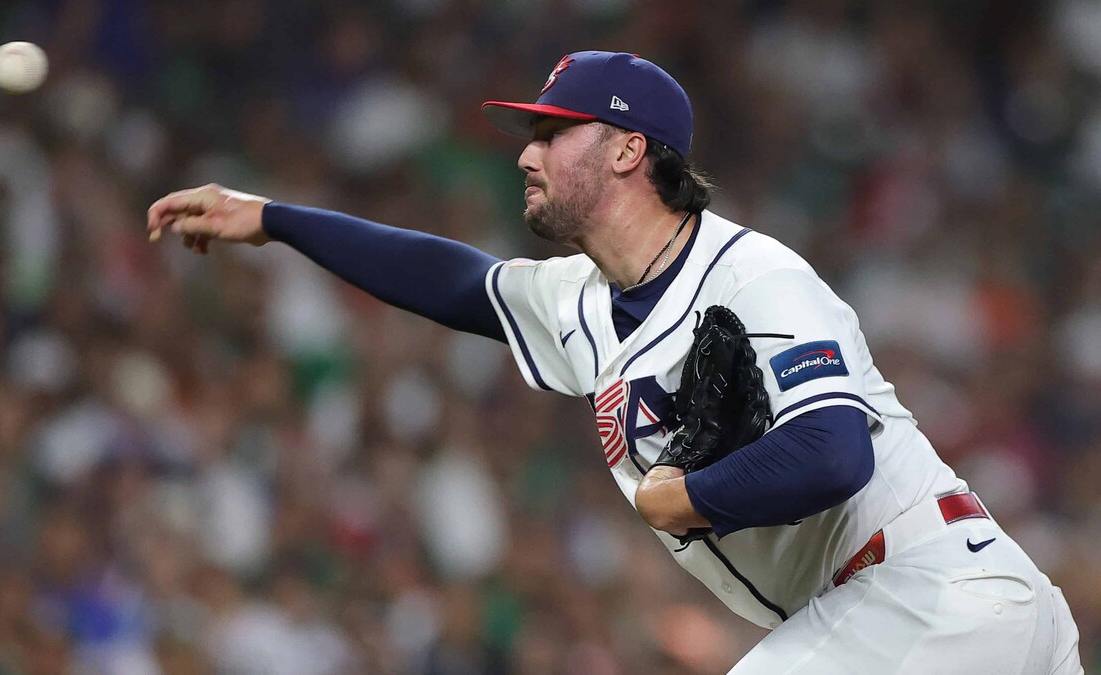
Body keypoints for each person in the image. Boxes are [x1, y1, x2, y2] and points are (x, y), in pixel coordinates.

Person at [147, 51, 1082, 673]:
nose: (528, 154)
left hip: (929, 589)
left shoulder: (751, 273)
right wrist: (272, 218)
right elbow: (454, 282)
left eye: (552, 132)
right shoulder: (582, 299)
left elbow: (836, 449)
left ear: (630, 149)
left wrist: (685, 498)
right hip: (912, 618)